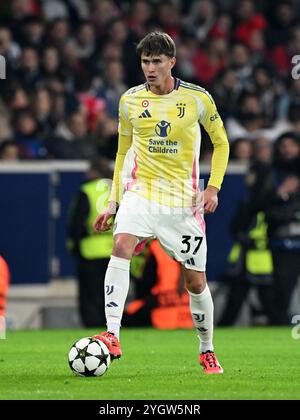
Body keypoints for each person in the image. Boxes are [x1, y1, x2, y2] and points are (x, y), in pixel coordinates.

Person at [92, 32, 229, 374]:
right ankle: (112, 334)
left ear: (172, 62)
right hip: (142, 192)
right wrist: (114, 202)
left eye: (156, 62)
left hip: (182, 201)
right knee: (121, 244)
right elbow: (123, 152)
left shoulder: (198, 99)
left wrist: (212, 188)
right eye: (145, 61)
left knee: (195, 282)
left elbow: (222, 143)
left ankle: (206, 349)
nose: (150, 68)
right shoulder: (129, 101)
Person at [67, 159, 114, 327]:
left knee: (90, 295)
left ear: (93, 172)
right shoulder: (116, 190)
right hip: (114, 250)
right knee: (111, 292)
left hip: (90, 250)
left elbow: (76, 223)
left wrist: (74, 246)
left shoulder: (87, 191)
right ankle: (111, 328)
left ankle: (92, 327)